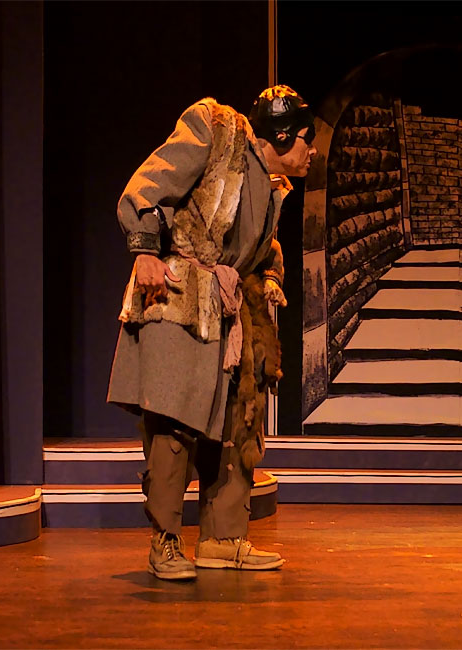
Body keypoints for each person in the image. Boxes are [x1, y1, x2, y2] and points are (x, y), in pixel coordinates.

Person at [106, 85, 316, 580]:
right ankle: (165, 541)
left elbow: (258, 245)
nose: (312, 152)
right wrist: (145, 251)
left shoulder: (273, 184)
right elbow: (147, 187)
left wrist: (269, 276)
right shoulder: (215, 129)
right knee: (175, 422)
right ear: (282, 137)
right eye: (307, 140)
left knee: (238, 424)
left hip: (227, 307)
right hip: (181, 293)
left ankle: (223, 538)